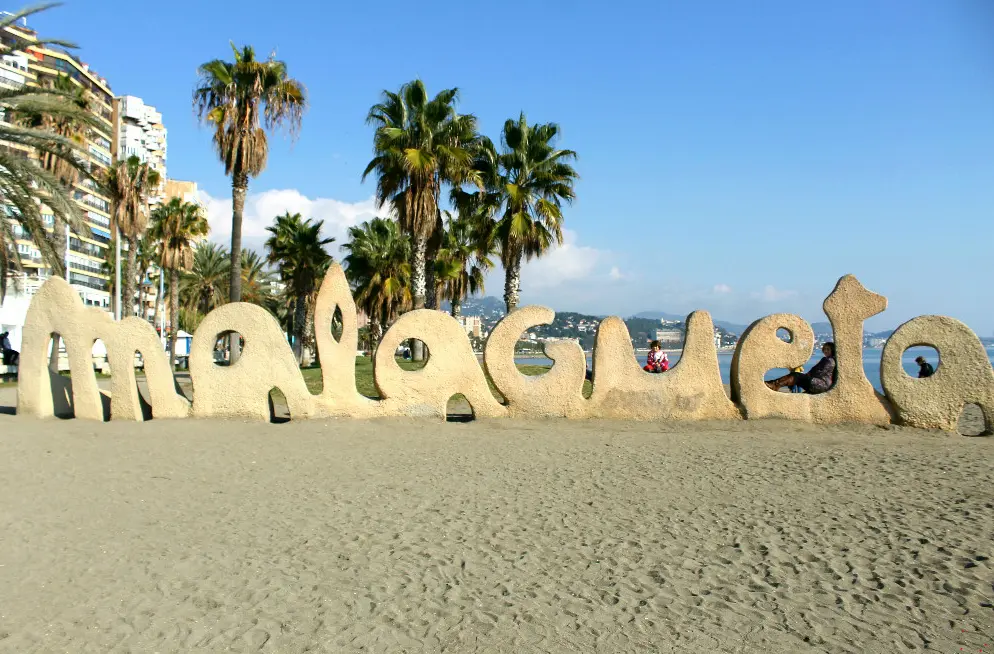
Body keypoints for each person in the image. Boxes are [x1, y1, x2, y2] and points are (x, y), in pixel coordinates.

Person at [766, 342, 836, 394]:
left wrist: (807, 376)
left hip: (820, 384)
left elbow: (820, 372)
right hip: (818, 383)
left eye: (828, 349)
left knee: (796, 375)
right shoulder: (828, 359)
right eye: (825, 349)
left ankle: (774, 385)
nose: (826, 351)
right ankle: (773, 383)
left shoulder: (829, 360)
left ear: (832, 350)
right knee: (796, 376)